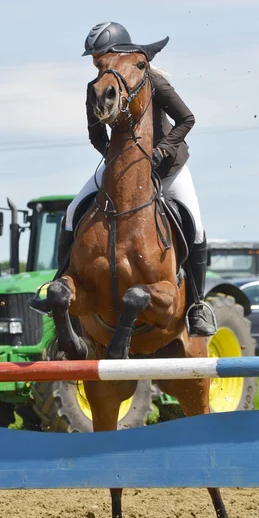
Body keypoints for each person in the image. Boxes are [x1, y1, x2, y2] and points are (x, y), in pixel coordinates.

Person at [36, 22, 215, 337]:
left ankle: (195, 309)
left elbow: (187, 119)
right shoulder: (97, 87)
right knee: (71, 213)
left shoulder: (152, 81)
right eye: (94, 56)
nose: (97, 61)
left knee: (196, 227)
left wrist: (161, 151)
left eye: (101, 53)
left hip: (168, 168)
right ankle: (59, 284)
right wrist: (117, 161)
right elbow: (95, 134)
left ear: (120, 52)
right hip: (121, 169)